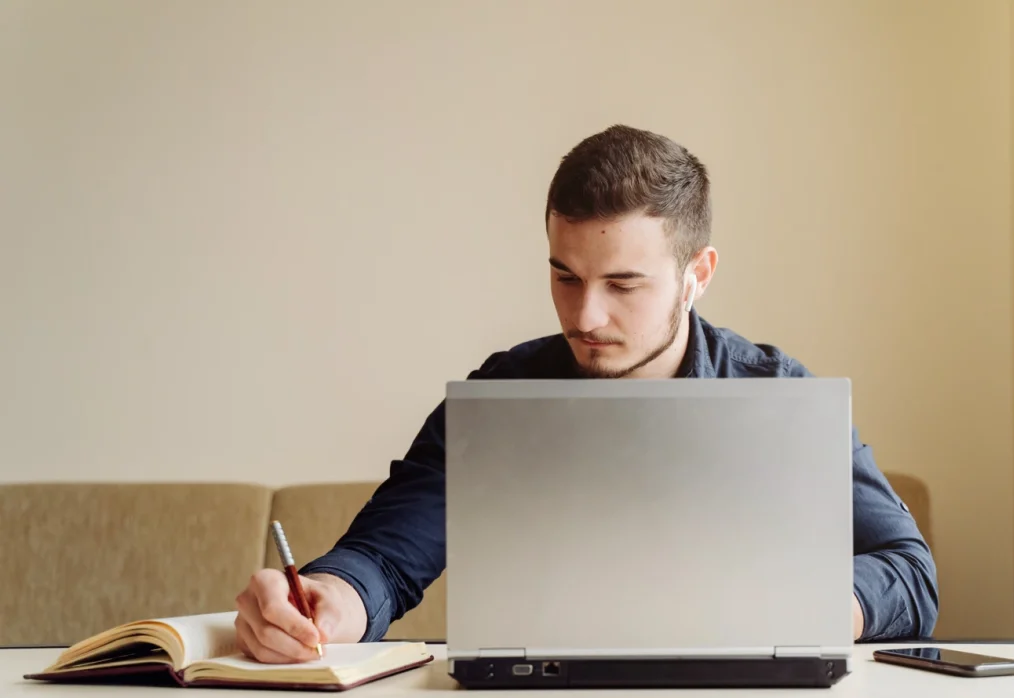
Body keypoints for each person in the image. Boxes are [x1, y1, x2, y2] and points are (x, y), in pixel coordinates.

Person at [233, 125, 939, 663]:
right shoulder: (502, 395)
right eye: (565, 277)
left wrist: (807, 607)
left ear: (699, 273)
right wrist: (333, 601)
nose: (585, 316)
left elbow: (909, 576)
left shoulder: (779, 394)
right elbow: (386, 558)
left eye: (623, 284)